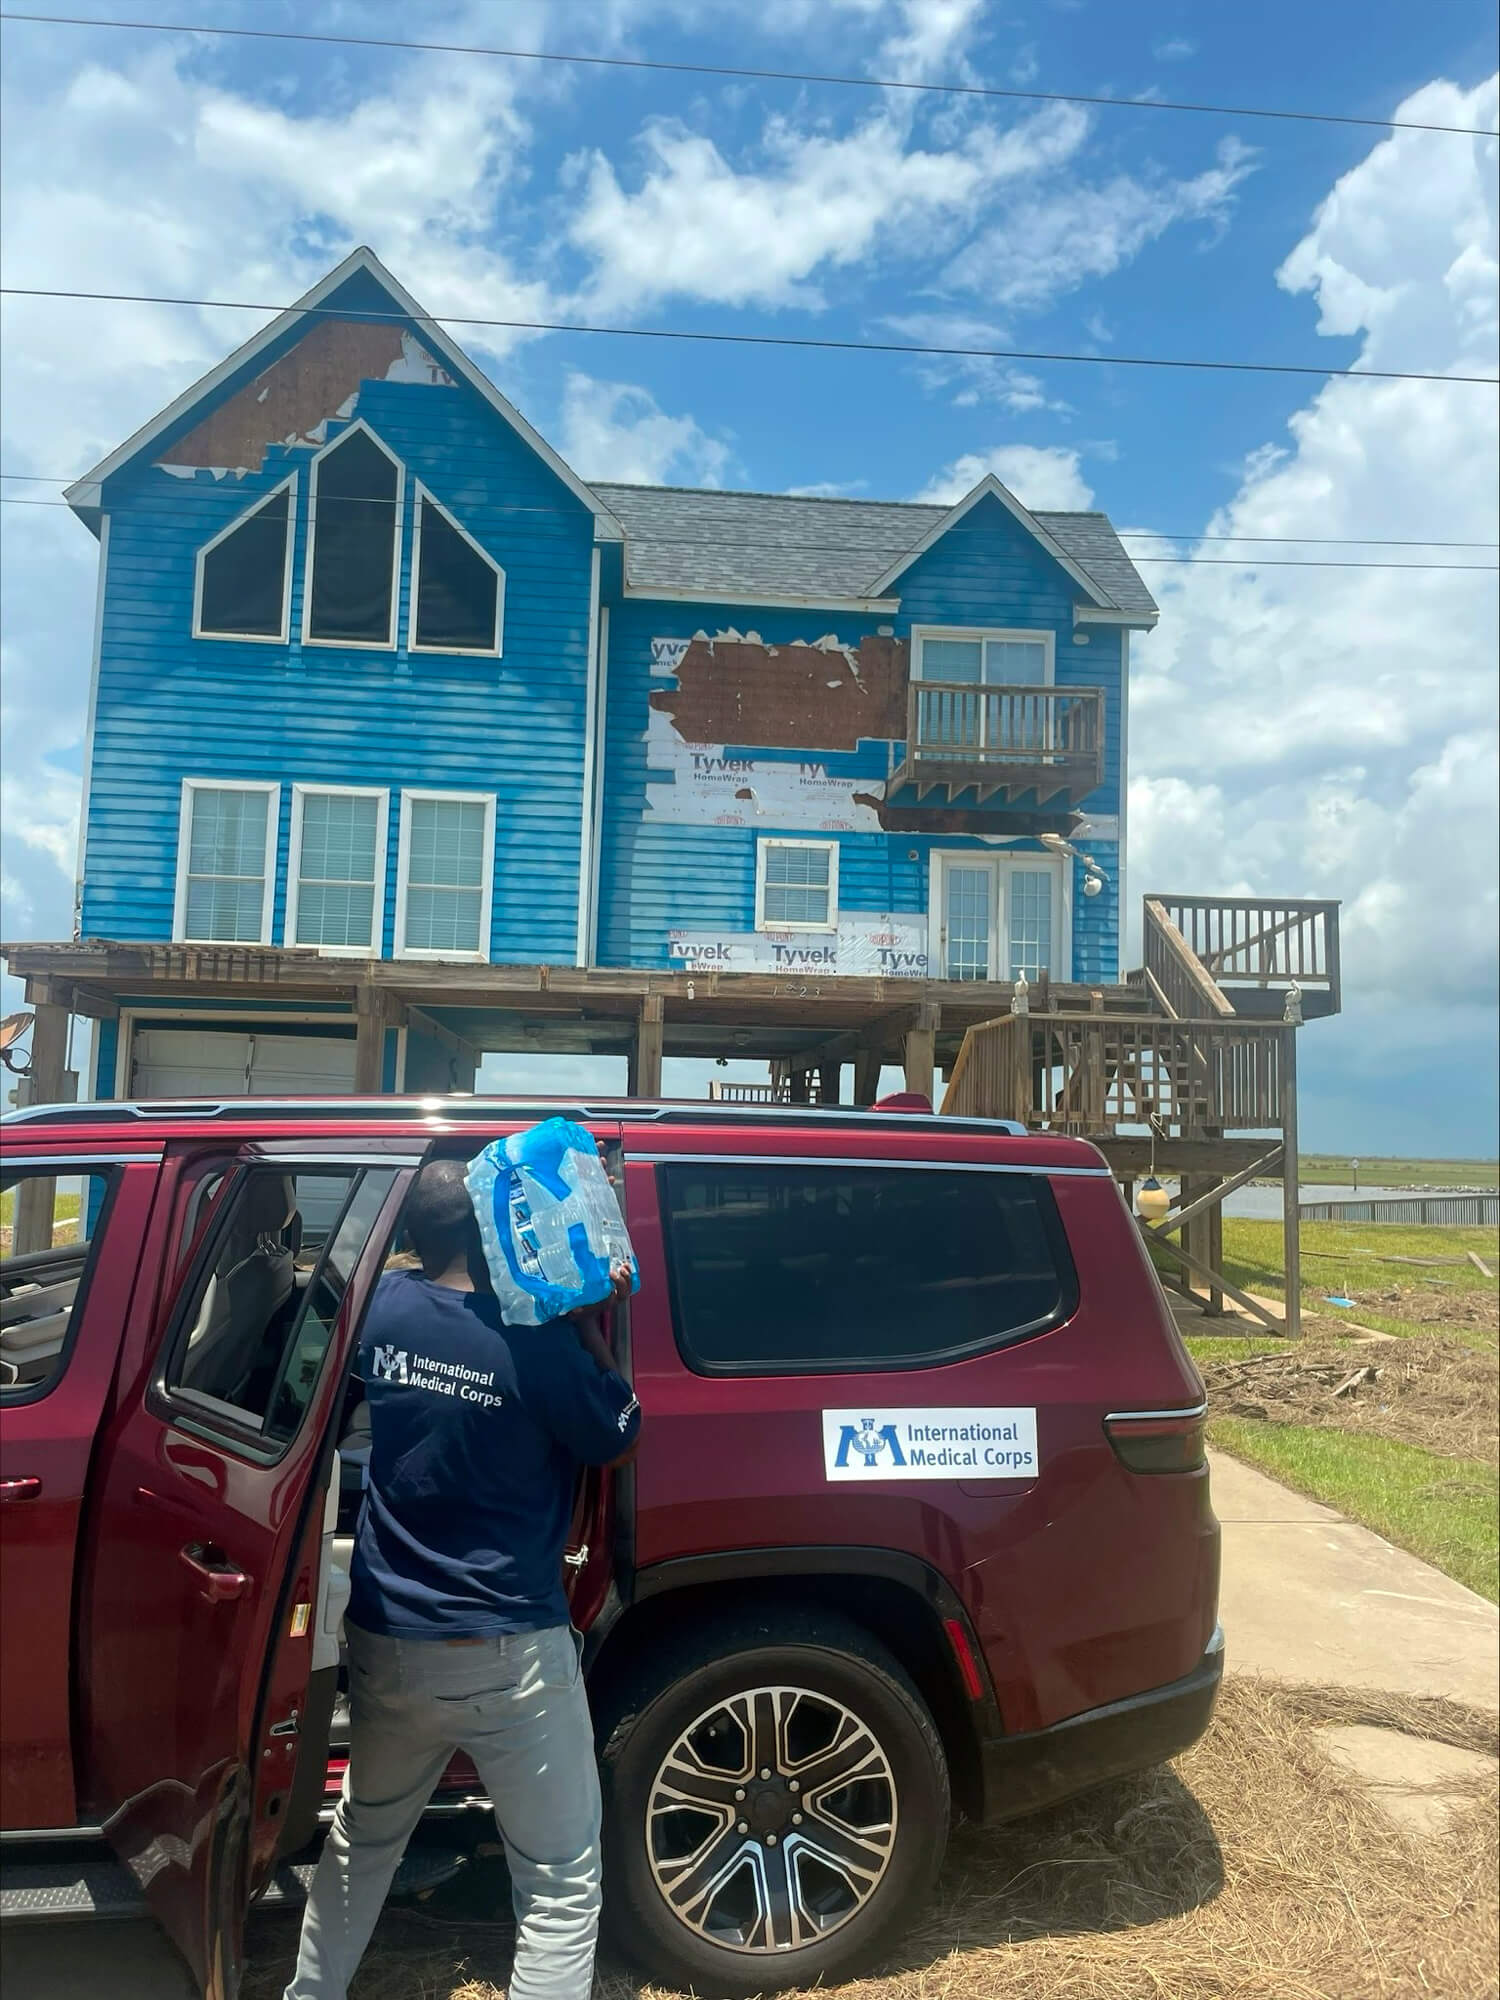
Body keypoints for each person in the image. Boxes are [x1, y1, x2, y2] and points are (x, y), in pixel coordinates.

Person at [283, 1156, 641, 2000]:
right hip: (506, 1648)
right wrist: (592, 1323)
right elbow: (618, 1431)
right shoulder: (538, 1341)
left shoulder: (381, 1311)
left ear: (409, 1239)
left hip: (387, 1641)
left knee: (362, 1840)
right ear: (497, 1235)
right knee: (557, 1879)